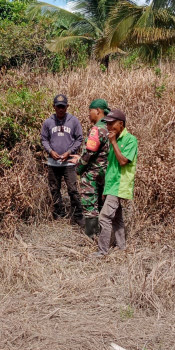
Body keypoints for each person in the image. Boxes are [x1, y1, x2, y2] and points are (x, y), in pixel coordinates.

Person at [96, 108, 138, 256]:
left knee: (104, 217)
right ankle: (122, 248)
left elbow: (122, 162)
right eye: (107, 125)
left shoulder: (130, 140)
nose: (108, 128)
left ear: (121, 124)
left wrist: (113, 142)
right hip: (112, 186)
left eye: (111, 124)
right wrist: (106, 190)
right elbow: (111, 168)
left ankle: (102, 252)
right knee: (117, 218)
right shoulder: (115, 139)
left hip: (120, 186)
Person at [69, 99, 110, 238]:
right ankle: (104, 236)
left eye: (90, 111)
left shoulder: (97, 129)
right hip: (106, 173)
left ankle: (91, 237)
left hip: (92, 174)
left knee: (90, 204)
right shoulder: (110, 127)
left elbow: (89, 152)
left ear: (98, 111)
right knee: (101, 203)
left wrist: (79, 167)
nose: (88, 115)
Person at [40, 94, 84, 225]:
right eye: (58, 107)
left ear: (67, 107)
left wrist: (69, 152)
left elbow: (79, 139)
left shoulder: (73, 121)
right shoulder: (48, 122)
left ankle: (77, 215)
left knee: (73, 189)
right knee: (54, 188)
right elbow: (44, 139)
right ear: (54, 107)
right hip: (53, 162)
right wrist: (50, 151)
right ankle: (58, 213)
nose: (60, 109)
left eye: (63, 107)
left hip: (68, 162)